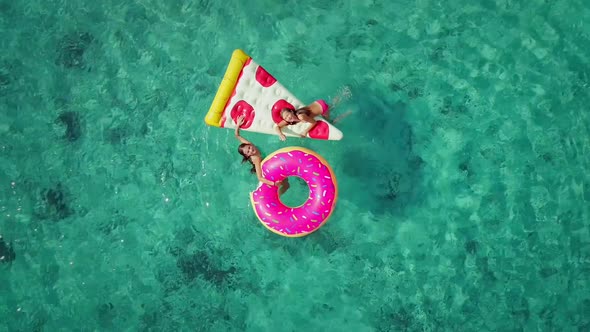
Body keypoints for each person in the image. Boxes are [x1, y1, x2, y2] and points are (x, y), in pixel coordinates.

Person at [235, 115, 290, 194]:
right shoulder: (256, 159)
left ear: (250, 144)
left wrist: (238, 125)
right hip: (264, 170)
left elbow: (237, 136)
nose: (250, 150)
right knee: (286, 185)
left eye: (249, 147)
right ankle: (271, 195)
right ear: (247, 156)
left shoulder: (249, 144)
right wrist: (274, 184)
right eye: (248, 152)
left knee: (287, 185)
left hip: (265, 161)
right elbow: (260, 177)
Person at [274, 92, 353, 141]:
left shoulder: (301, 116)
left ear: (291, 111)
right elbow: (277, 127)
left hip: (322, 107)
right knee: (332, 106)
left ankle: (348, 112)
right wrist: (280, 134)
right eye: (286, 118)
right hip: (316, 103)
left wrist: (305, 131)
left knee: (331, 123)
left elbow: (314, 122)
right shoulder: (289, 120)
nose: (288, 118)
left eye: (288, 115)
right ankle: (343, 94)